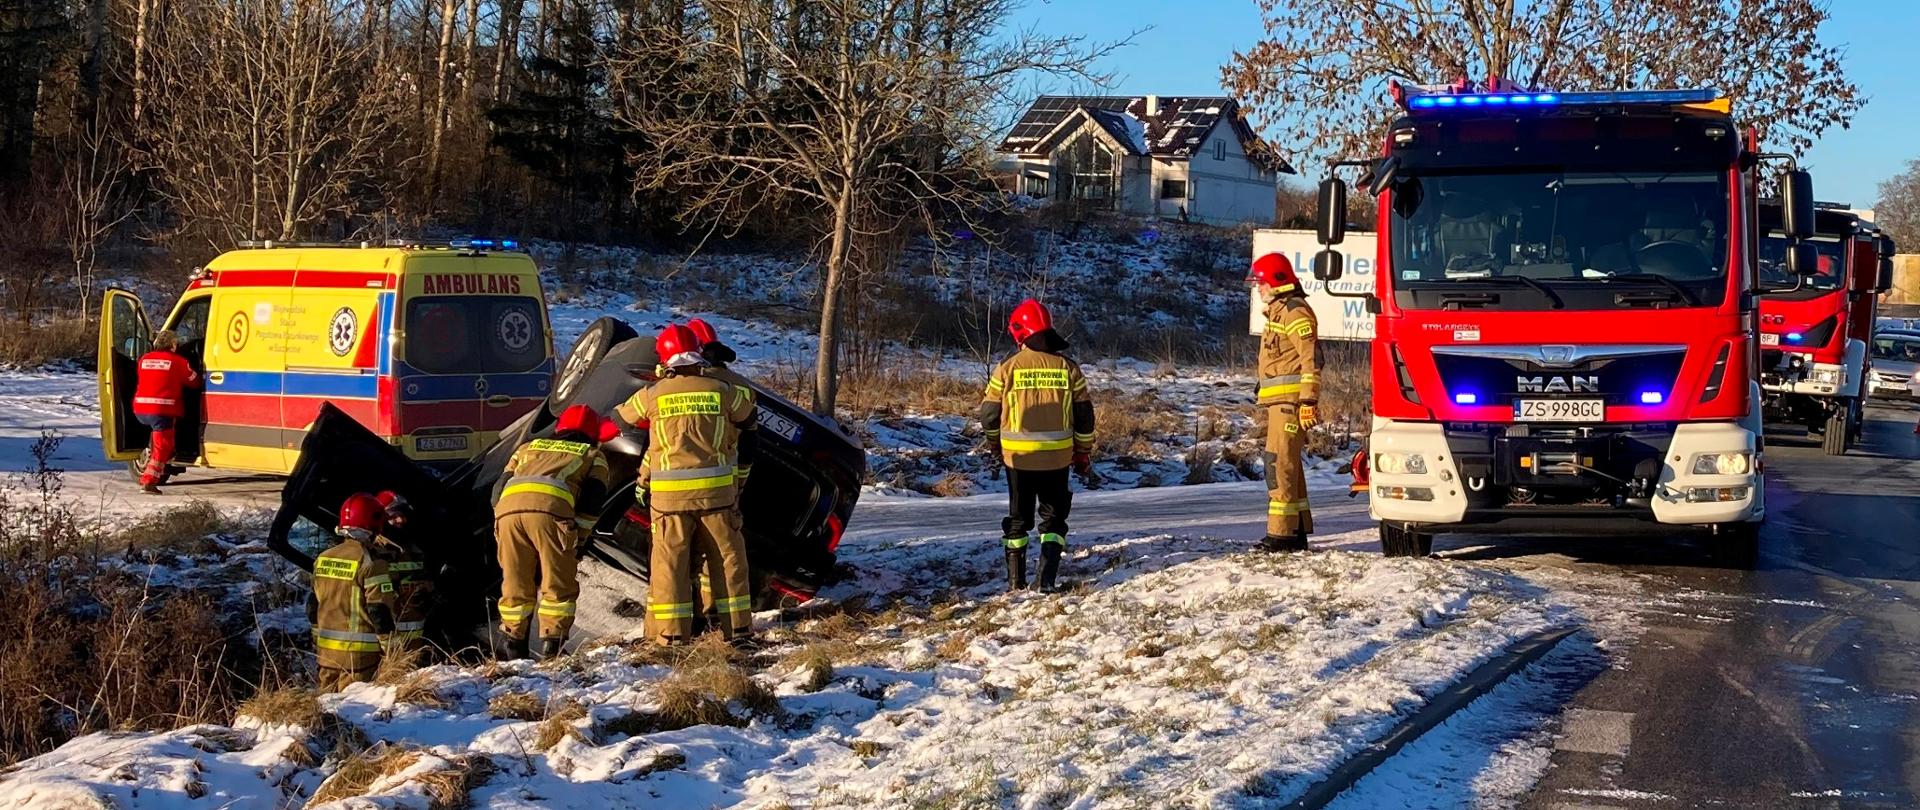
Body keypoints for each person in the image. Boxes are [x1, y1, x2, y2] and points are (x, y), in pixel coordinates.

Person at [614, 324, 758, 646]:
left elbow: (620, 420)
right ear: (698, 353)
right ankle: (738, 633)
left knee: (670, 566)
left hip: (669, 502)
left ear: (664, 359)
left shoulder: (653, 394)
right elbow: (750, 421)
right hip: (717, 496)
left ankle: (672, 637)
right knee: (727, 561)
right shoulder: (721, 389)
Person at [978, 299, 1096, 592]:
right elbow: (1084, 417)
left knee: (1018, 519)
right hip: (1057, 459)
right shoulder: (1069, 369)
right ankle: (1045, 581)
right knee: (1053, 520)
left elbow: (989, 414)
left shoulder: (1007, 368)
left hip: (1018, 459)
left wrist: (995, 445)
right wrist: (1082, 454)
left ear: (1020, 333)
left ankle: (1015, 583)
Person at [491, 404, 612, 659]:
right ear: (593, 433)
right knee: (557, 583)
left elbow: (497, 490)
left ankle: (513, 643)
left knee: (515, 581)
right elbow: (592, 502)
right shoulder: (593, 455)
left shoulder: (527, 448)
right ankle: (552, 647)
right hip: (552, 515)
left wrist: (502, 521)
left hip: (507, 514)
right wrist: (578, 539)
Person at [1252, 252, 1320, 552]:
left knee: (1278, 465)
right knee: (1289, 466)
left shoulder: (1294, 313)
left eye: (1261, 283)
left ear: (1277, 282)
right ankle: (1297, 529)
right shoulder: (1279, 312)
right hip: (1282, 403)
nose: (1258, 288)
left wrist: (1308, 401)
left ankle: (1281, 536)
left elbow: (1310, 360)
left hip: (1290, 404)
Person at [309, 493, 397, 691]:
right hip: (359, 661)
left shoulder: (323, 558)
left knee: (327, 706)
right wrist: (392, 651)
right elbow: (379, 611)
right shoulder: (371, 563)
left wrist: (318, 642)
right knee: (357, 707)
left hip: (326, 657)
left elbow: (313, 606)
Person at [132, 330, 200, 494]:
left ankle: (156, 459)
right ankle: (148, 482)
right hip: (161, 411)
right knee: (164, 447)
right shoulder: (178, 362)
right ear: (173, 345)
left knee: (160, 441)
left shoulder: (144, 359)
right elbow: (194, 382)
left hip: (140, 409)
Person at [374, 490, 432, 657]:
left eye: (402, 515)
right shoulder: (373, 552)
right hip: (385, 648)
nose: (400, 520)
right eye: (394, 516)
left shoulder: (416, 548)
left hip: (416, 643)